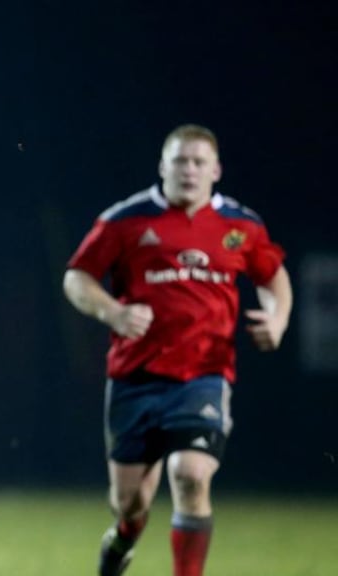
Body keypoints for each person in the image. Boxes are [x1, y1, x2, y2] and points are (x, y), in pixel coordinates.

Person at [62, 124, 292, 576]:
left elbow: (273, 277)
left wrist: (278, 318)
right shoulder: (126, 219)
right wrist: (114, 312)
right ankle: (123, 539)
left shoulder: (241, 225)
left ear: (216, 169)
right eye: (180, 160)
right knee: (129, 504)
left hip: (204, 376)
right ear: (163, 165)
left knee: (190, 475)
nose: (189, 170)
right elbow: (76, 277)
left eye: (199, 162)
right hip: (135, 377)